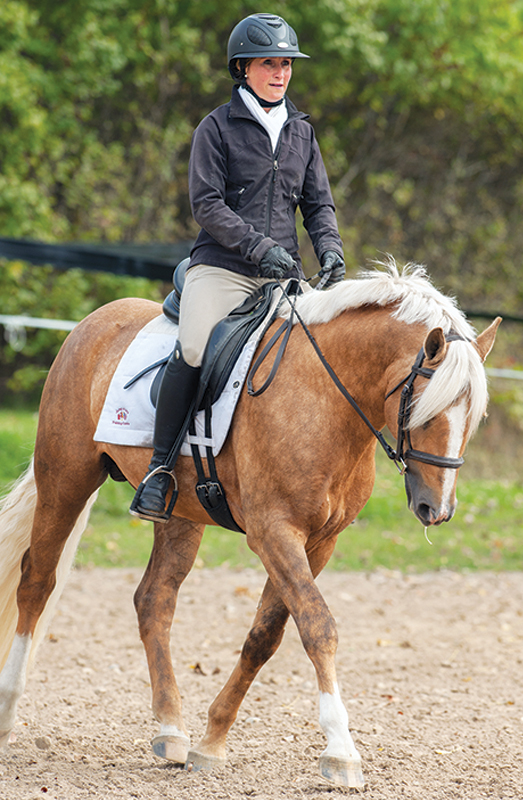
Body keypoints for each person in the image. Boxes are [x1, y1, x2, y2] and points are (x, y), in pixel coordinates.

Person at [130, 12, 345, 521]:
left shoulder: (301, 133)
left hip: (284, 274)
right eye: (270, 63)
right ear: (242, 68)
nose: (281, 73)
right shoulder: (216, 127)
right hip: (223, 268)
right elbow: (206, 204)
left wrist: (331, 250)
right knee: (196, 345)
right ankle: (159, 472)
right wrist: (256, 247)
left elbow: (318, 205)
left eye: (287, 64)